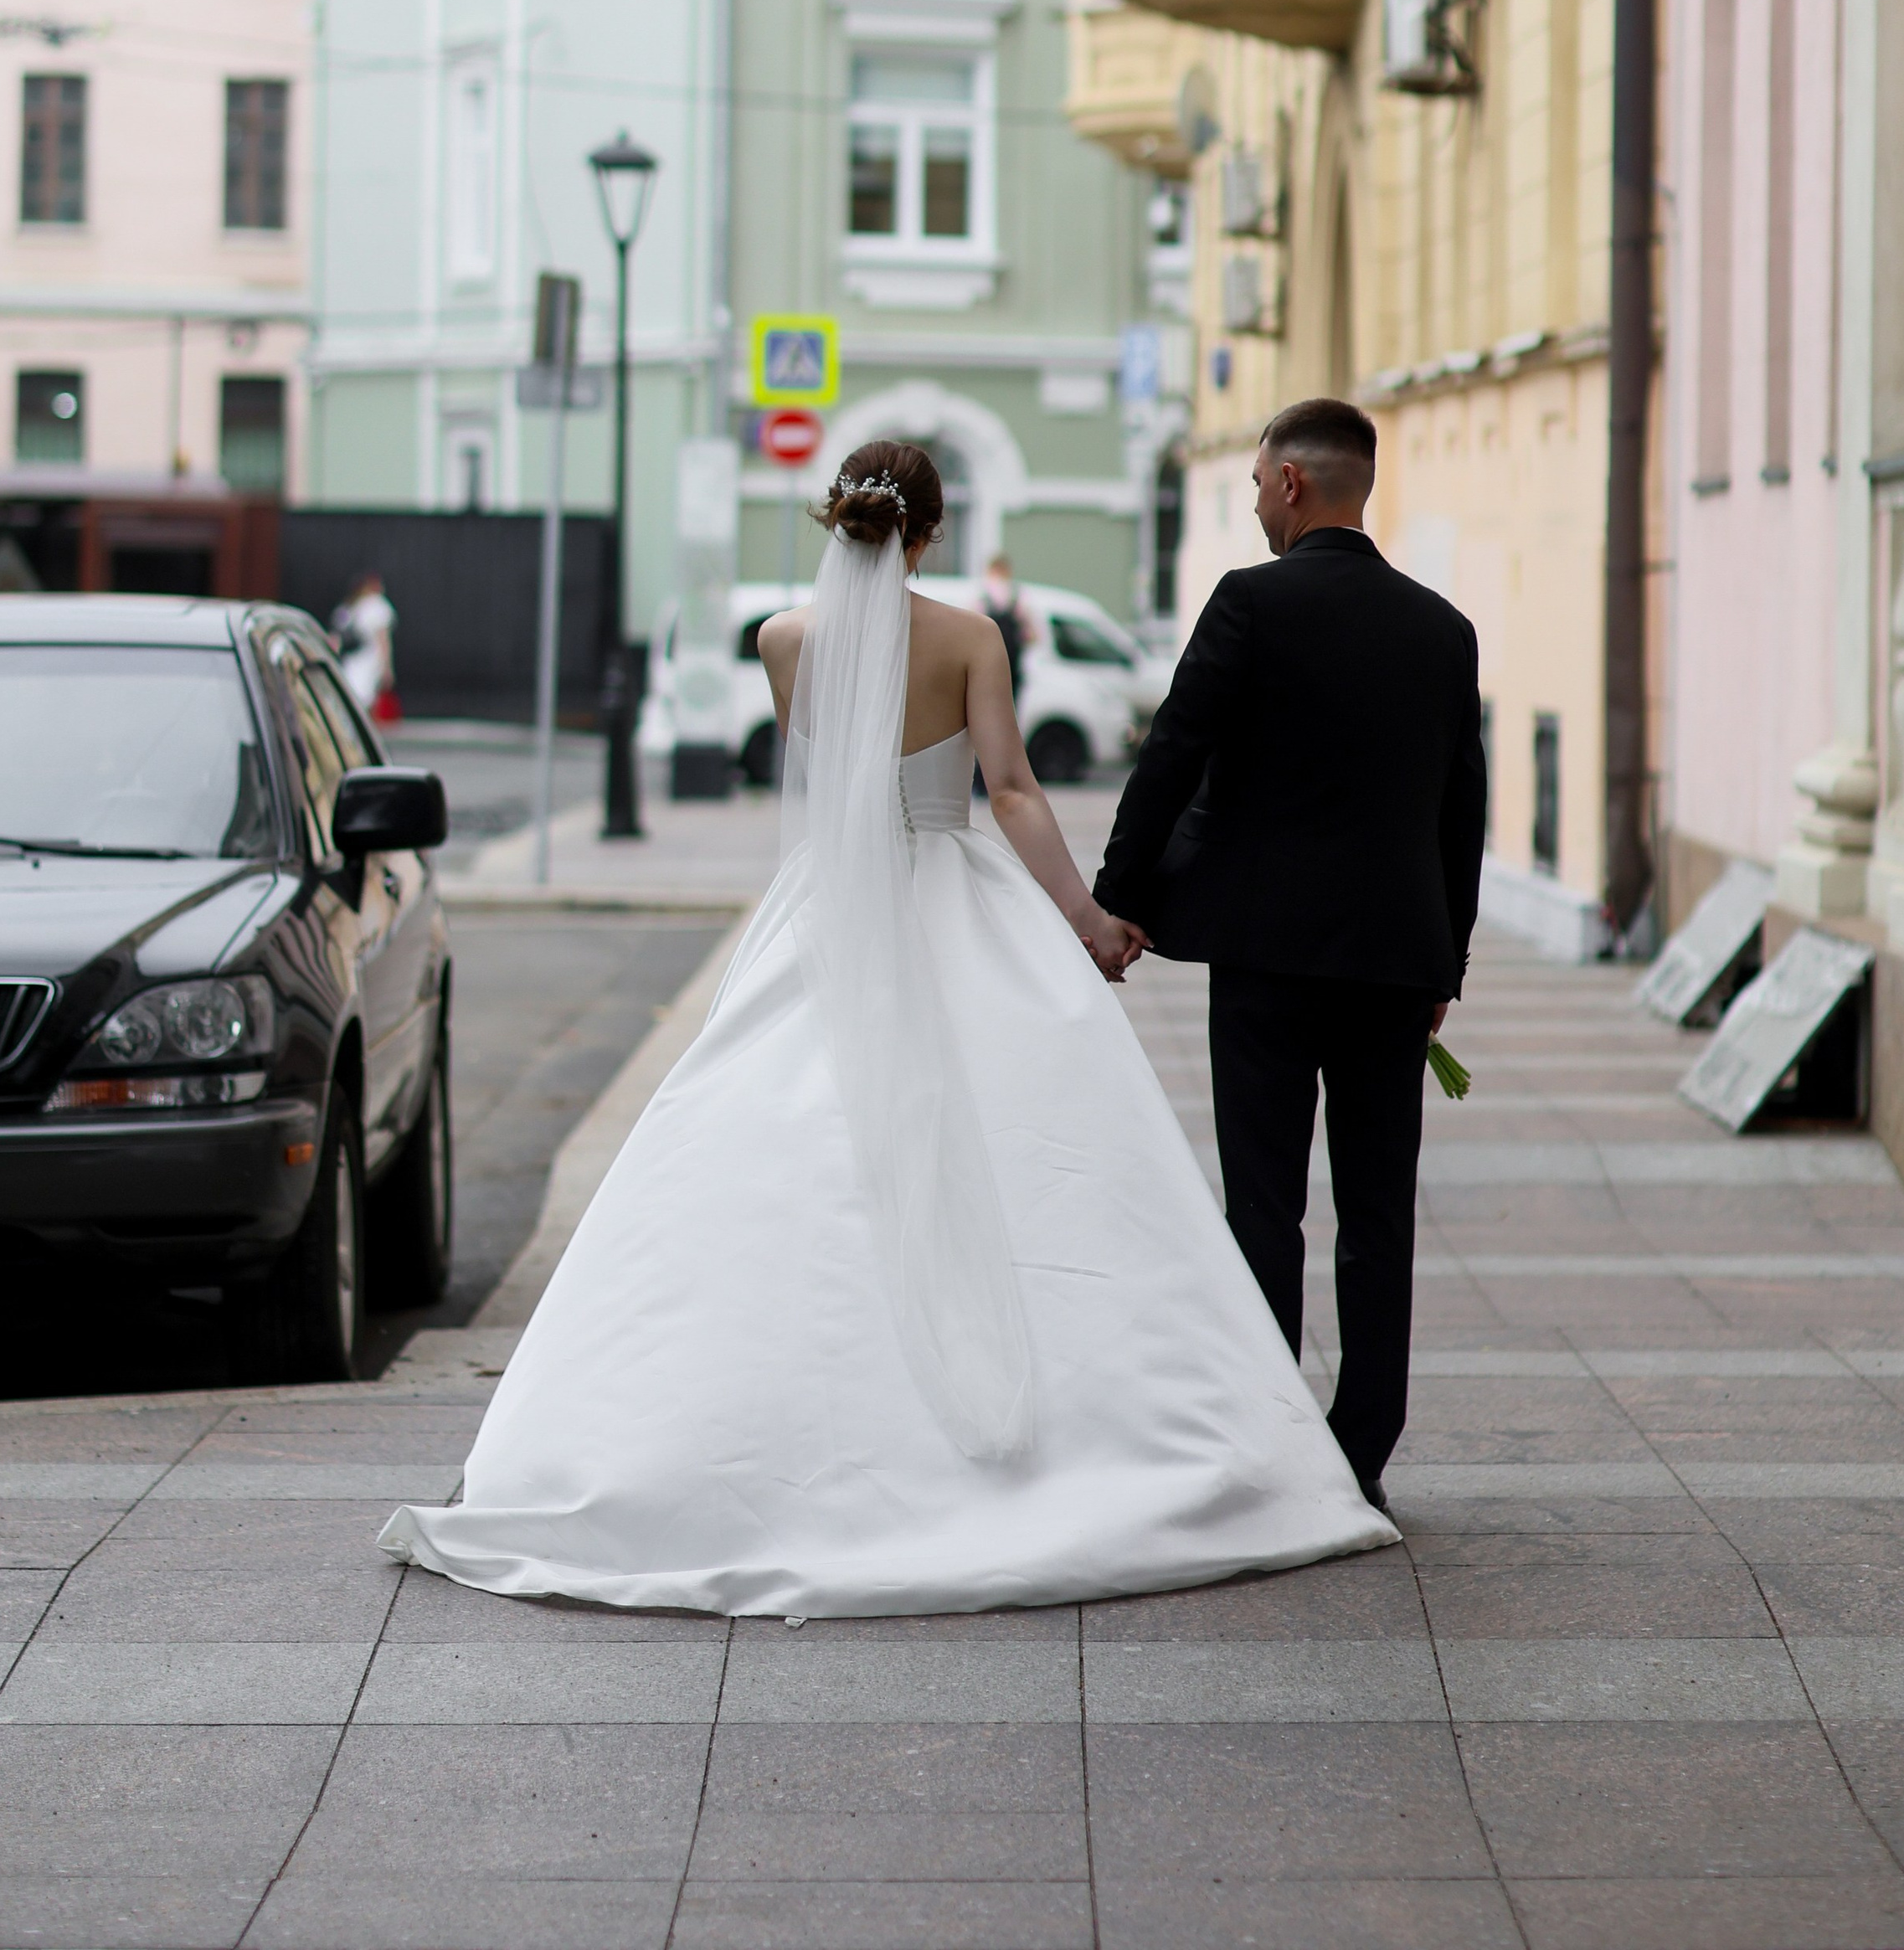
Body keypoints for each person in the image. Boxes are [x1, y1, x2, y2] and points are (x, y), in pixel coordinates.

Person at [378, 438, 1389, 1615]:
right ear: (931, 531)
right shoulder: (969, 639)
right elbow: (1008, 791)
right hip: (956, 897)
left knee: (785, 1142)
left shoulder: (780, 642)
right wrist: (1088, 921)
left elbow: (829, 789)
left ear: (836, 520)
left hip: (829, 910)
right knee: (1029, 1149)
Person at [1094, 398, 1486, 1520]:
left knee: (1263, 1206)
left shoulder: (1249, 603)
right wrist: (1445, 965)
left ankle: (1271, 1442)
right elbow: (1461, 808)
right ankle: (1362, 1449)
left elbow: (1174, 751)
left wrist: (1119, 899)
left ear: (1294, 483)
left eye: (1260, 482)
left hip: (1263, 956)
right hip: (1392, 964)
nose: (1257, 503)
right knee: (1378, 1214)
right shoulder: (1442, 629)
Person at [330, 573, 396, 719]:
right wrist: (387, 667)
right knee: (363, 695)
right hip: (363, 657)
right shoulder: (373, 606)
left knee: (359, 694)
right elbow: (383, 639)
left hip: (357, 659)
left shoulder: (351, 607)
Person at [980, 551, 1027, 697]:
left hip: (987, 661)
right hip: (1012, 663)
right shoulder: (1018, 594)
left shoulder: (982, 593)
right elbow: (1031, 634)